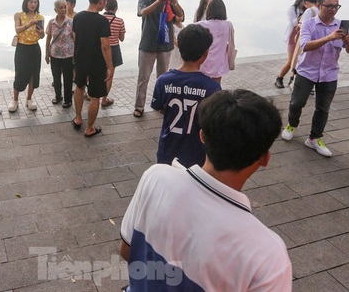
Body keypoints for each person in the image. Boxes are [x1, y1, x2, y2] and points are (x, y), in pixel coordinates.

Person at [120, 89, 292, 291]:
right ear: (264, 159)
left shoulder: (156, 178)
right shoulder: (268, 256)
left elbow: (127, 251)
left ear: (202, 136)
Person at [281, 0, 349, 157]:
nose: (333, 9)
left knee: (323, 108)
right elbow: (305, 45)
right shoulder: (309, 24)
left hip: (329, 73)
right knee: (297, 102)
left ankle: (315, 138)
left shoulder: (342, 26)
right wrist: (329, 37)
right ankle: (291, 125)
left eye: (336, 6)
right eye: (329, 6)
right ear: (319, 5)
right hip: (307, 71)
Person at [151, 24, 221, 167]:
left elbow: (160, 108)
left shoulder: (163, 81)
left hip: (167, 152)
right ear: (205, 54)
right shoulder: (212, 88)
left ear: (180, 48)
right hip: (196, 156)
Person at [133, 0, 185, 118]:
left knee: (163, 78)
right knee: (143, 77)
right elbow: (142, 12)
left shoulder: (169, 0)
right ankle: (139, 106)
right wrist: (158, 1)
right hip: (148, 44)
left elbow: (181, 16)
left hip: (165, 44)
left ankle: (161, 104)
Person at [72, 0, 114, 137]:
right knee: (95, 96)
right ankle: (90, 128)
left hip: (80, 60)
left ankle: (77, 118)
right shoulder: (102, 21)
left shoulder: (77, 17)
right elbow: (105, 46)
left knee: (79, 86)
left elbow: (75, 38)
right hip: (96, 62)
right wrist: (110, 66)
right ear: (102, 1)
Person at [9, 0, 45, 112]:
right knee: (20, 73)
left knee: (33, 75)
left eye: (35, 2)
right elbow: (17, 30)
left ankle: (29, 99)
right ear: (26, 2)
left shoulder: (40, 17)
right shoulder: (19, 15)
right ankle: (15, 100)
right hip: (22, 48)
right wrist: (29, 24)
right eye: (31, 2)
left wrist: (42, 34)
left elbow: (41, 36)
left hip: (34, 48)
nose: (33, 4)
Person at [275, 0, 311, 88]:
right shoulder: (292, 9)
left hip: (303, 36)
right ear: (302, 0)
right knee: (291, 61)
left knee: (299, 61)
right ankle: (279, 78)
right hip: (293, 36)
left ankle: (292, 80)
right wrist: (303, 16)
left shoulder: (309, 10)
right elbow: (293, 23)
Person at [196, 0, 234, 84]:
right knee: (216, 87)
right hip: (219, 62)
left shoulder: (202, 25)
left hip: (204, 62)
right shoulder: (228, 25)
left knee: (202, 87)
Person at [45, 0, 74, 108]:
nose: (63, 9)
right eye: (60, 7)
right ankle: (58, 96)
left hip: (68, 55)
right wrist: (47, 53)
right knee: (56, 77)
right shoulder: (51, 23)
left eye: (65, 7)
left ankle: (68, 100)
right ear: (55, 10)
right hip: (55, 55)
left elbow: (75, 38)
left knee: (68, 78)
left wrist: (76, 55)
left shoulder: (71, 22)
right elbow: (48, 38)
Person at [287, 0, 319, 89]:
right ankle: (312, 87)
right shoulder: (321, 10)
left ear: (306, 2)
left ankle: (297, 85)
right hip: (318, 39)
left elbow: (302, 25)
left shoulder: (309, 11)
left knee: (300, 62)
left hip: (306, 39)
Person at [101, 0, 126, 107]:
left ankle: (90, 94)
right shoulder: (119, 21)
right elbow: (121, 38)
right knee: (110, 75)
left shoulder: (99, 19)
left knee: (97, 73)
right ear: (116, 8)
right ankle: (104, 99)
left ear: (105, 7)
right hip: (114, 49)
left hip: (100, 48)